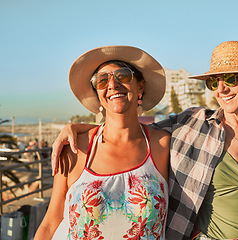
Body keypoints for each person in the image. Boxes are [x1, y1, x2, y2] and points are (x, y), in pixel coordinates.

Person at [51, 41, 238, 239]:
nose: (222, 88)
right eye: (214, 82)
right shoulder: (194, 124)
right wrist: (78, 128)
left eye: (231, 78)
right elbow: (127, 130)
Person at [35, 45, 170, 239]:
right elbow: (50, 223)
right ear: (98, 93)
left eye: (123, 76)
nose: (112, 85)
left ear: (140, 86)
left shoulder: (163, 145)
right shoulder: (74, 149)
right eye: (102, 80)